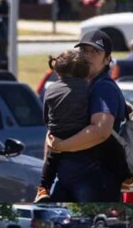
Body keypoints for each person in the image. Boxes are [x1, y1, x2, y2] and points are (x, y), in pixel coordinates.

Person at [46, 30, 131, 202]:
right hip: (69, 177)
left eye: (96, 52)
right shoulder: (77, 86)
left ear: (107, 59)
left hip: (95, 180)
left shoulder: (103, 88)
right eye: (84, 50)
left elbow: (101, 130)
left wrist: (62, 146)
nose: (88, 56)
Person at [36, 50, 91, 203]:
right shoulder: (88, 88)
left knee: (51, 160)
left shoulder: (51, 89)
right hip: (81, 133)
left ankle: (42, 189)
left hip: (57, 133)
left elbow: (46, 118)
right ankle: (127, 177)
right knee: (115, 145)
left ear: (58, 70)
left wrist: (54, 129)